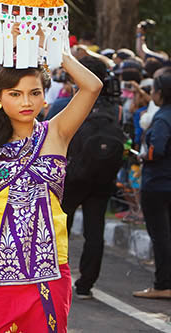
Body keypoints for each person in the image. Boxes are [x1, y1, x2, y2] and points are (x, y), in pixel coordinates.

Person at [0, 53, 102, 332]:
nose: (26, 101)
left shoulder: (58, 132)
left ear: (45, 96)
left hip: (49, 266)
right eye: (15, 94)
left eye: (35, 93)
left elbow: (92, 87)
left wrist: (55, 50)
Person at [60, 55, 124, 299]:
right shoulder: (116, 109)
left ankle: (55, 270)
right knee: (95, 230)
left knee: (60, 225)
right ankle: (86, 284)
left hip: (72, 175)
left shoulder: (69, 104)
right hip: (104, 177)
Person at [133, 73, 171, 299]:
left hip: (157, 185)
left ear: (161, 93)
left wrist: (143, 156)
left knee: (160, 237)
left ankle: (162, 284)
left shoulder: (162, 118)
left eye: (155, 90)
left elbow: (157, 149)